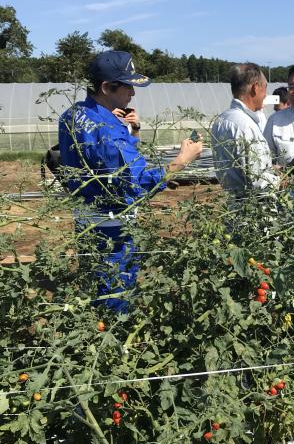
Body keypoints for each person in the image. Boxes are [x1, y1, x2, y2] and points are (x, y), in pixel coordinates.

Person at [59, 50, 202, 312]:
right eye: (127, 87)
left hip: (85, 218)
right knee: (115, 294)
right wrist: (183, 159)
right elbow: (138, 181)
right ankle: (113, 341)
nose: (132, 94)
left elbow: (109, 162)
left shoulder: (73, 114)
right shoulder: (108, 130)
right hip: (112, 227)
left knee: (95, 284)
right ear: (106, 87)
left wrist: (132, 131)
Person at [211, 63, 280, 197]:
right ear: (255, 87)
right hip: (254, 208)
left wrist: (273, 169)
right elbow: (258, 181)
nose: (266, 95)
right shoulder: (245, 126)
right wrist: (283, 180)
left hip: (233, 202)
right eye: (265, 88)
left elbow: (240, 167)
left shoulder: (222, 120)